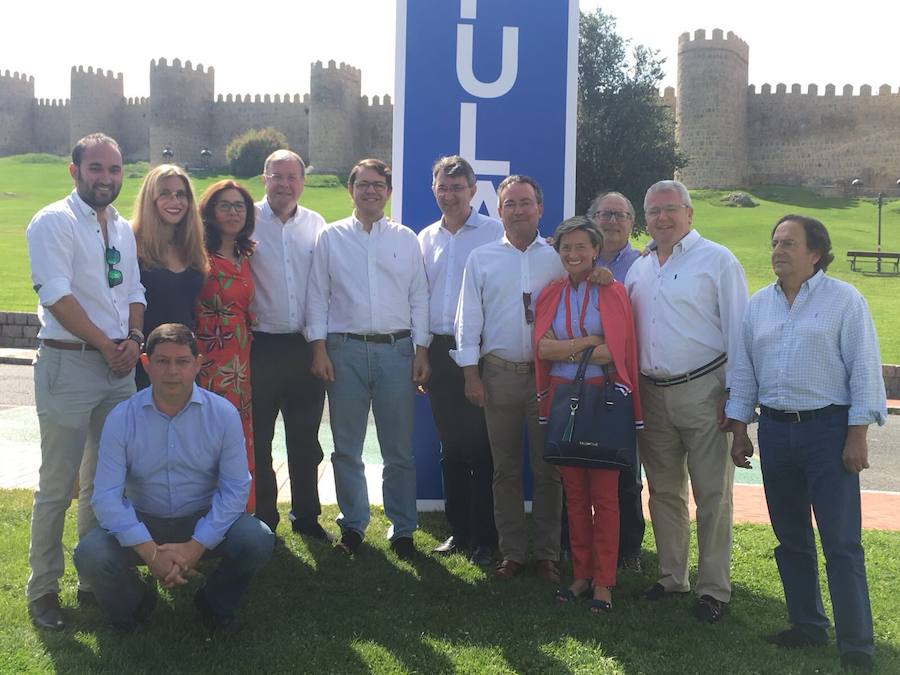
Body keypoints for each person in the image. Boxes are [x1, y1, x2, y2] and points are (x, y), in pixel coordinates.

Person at [726, 215, 886, 672]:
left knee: (841, 542)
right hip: (775, 433)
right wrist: (740, 429)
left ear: (815, 253)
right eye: (775, 242)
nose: (778, 250)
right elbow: (744, 374)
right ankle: (806, 625)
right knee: (791, 537)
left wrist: (857, 436)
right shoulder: (759, 305)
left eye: (789, 243)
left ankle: (856, 644)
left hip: (828, 432)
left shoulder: (844, 301)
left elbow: (863, 370)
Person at [73, 324, 274, 633]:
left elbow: (236, 489)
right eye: (162, 361)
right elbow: (106, 497)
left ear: (197, 364)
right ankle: (135, 604)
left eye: (182, 361)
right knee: (90, 554)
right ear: (145, 364)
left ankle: (214, 604)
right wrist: (151, 553)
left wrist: (195, 546)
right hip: (145, 518)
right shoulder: (121, 418)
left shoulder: (223, 414)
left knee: (257, 537)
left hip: (200, 516)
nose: (172, 371)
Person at [25, 133, 146, 631]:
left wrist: (135, 339)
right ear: (75, 172)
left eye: (114, 170)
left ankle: (93, 579)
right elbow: (56, 294)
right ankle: (43, 590)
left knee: (107, 484)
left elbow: (134, 289)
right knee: (58, 485)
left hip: (117, 366)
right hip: (70, 363)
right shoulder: (53, 221)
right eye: (96, 169)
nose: (106, 178)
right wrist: (106, 344)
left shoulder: (120, 227)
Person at [624, 179, 748, 623]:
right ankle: (672, 575)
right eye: (653, 211)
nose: (662, 217)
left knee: (713, 493)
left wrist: (736, 401)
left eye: (670, 209)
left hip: (706, 389)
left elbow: (739, 333)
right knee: (663, 492)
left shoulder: (717, 261)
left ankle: (714, 588)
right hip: (651, 393)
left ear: (689, 214)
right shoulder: (639, 268)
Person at [306, 158, 430, 559]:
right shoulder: (331, 237)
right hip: (344, 351)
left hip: (397, 351)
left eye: (378, 184)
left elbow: (419, 297)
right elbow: (317, 296)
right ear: (351, 189)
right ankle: (354, 524)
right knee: (346, 446)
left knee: (398, 448)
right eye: (363, 184)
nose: (371, 191)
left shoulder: (406, 238)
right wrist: (319, 349)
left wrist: (422, 350)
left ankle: (403, 528)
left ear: (388, 191)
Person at [453, 175, 564, 582]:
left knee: (548, 468)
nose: (518, 210)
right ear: (498, 211)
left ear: (540, 208)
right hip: (498, 373)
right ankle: (513, 552)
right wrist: (471, 376)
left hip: (548, 377)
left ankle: (548, 554)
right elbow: (468, 321)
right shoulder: (481, 258)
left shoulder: (557, 257)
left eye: (525, 203)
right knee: (505, 470)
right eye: (510, 204)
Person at [534, 216, 643, 612]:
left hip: (602, 398)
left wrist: (571, 347)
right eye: (566, 247)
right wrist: (588, 342)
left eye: (582, 246)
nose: (574, 254)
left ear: (596, 250)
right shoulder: (550, 294)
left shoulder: (611, 291)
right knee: (575, 495)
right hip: (564, 398)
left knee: (605, 496)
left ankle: (605, 581)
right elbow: (543, 350)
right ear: (558, 252)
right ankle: (581, 575)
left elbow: (614, 351)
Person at [418, 156, 503, 565]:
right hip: (438, 350)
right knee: (450, 447)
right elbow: (418, 299)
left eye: (457, 187)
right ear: (434, 189)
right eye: (442, 187)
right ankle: (460, 531)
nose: (449, 195)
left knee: (483, 449)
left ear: (473, 190)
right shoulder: (425, 238)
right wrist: (421, 351)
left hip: (482, 352)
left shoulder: (494, 233)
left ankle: (488, 536)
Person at [250, 150, 330, 539]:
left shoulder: (316, 224)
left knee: (304, 439)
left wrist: (319, 346)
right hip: (257, 346)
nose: (284, 184)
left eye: (292, 177)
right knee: (258, 439)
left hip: (303, 346)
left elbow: (320, 288)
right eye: (276, 176)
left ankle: (307, 517)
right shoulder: (243, 218)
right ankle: (264, 518)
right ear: (264, 178)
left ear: (303, 181)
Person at [587, 191, 645, 572]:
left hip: (624, 382)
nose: (611, 221)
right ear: (592, 218)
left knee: (625, 470)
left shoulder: (644, 265)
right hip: (582, 379)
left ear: (631, 222)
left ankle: (628, 550)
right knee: (575, 461)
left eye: (620, 215)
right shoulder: (575, 259)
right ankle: (575, 542)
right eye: (604, 214)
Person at [196, 180, 257, 512]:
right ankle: (202, 520)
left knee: (237, 438)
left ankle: (238, 516)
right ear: (210, 211)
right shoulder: (198, 255)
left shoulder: (244, 256)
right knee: (207, 439)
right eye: (225, 205)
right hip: (207, 363)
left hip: (240, 364)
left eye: (240, 206)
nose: (233, 212)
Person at [131, 164, 209, 389]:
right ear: (150, 199)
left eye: (181, 194)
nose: (175, 201)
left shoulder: (191, 247)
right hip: (143, 360)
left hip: (183, 360)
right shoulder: (131, 242)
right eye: (165, 193)